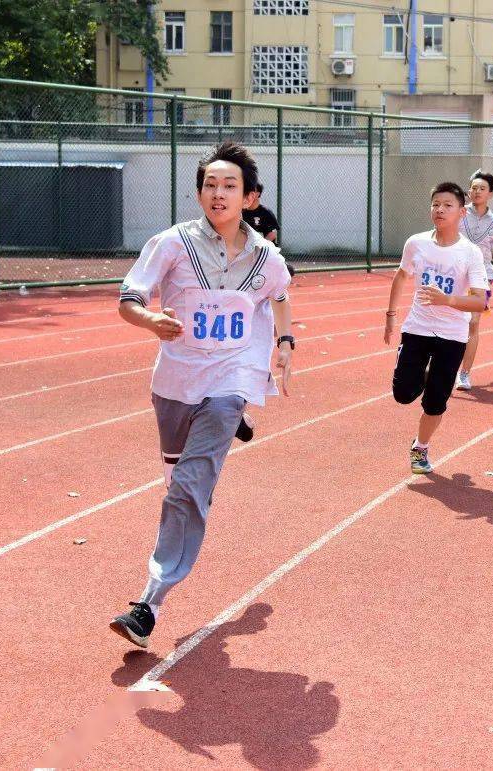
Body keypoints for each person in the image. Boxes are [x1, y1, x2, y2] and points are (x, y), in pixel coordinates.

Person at [109, 141, 294, 648]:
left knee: (189, 486)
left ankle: (149, 602)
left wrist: (284, 343)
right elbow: (129, 299)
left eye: (229, 185)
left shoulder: (266, 256)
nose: (218, 193)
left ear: (249, 198)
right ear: (199, 193)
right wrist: (150, 319)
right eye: (210, 184)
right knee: (177, 482)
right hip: (175, 382)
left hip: (232, 377)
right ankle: (223, 424)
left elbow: (279, 295)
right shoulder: (171, 244)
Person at [385, 182, 489, 473]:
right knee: (403, 394)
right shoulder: (416, 243)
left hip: (452, 336)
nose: (439, 210)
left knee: (435, 402)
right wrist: (390, 315)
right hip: (417, 328)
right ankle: (424, 372)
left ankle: (420, 447)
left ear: (462, 212)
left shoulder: (470, 253)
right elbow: (401, 276)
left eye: (447, 205)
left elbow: (480, 302)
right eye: (435, 204)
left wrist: (447, 300)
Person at [455, 171, 493, 391]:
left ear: (490, 194)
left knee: (473, 322)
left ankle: (464, 373)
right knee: (452, 321)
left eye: (482, 188)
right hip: (455, 273)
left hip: (482, 276)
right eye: (474, 188)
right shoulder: (458, 213)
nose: (477, 192)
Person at [243, 182, 292, 278]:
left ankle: (282, 269)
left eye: (251, 191)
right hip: (246, 249)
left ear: (257, 194)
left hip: (264, 249)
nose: (247, 193)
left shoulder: (266, 212)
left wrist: (260, 246)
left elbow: (272, 234)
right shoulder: (240, 212)